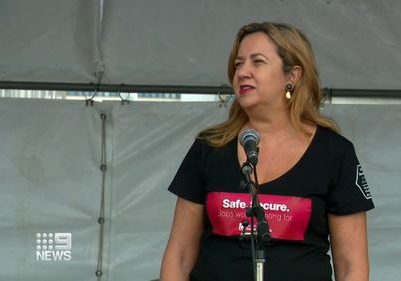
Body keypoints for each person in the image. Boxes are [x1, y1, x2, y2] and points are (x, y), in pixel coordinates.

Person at [160, 22, 374, 281]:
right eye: (238, 64)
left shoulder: (334, 153)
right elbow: (179, 256)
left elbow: (352, 266)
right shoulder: (209, 147)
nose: (242, 72)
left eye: (257, 62)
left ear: (292, 76)